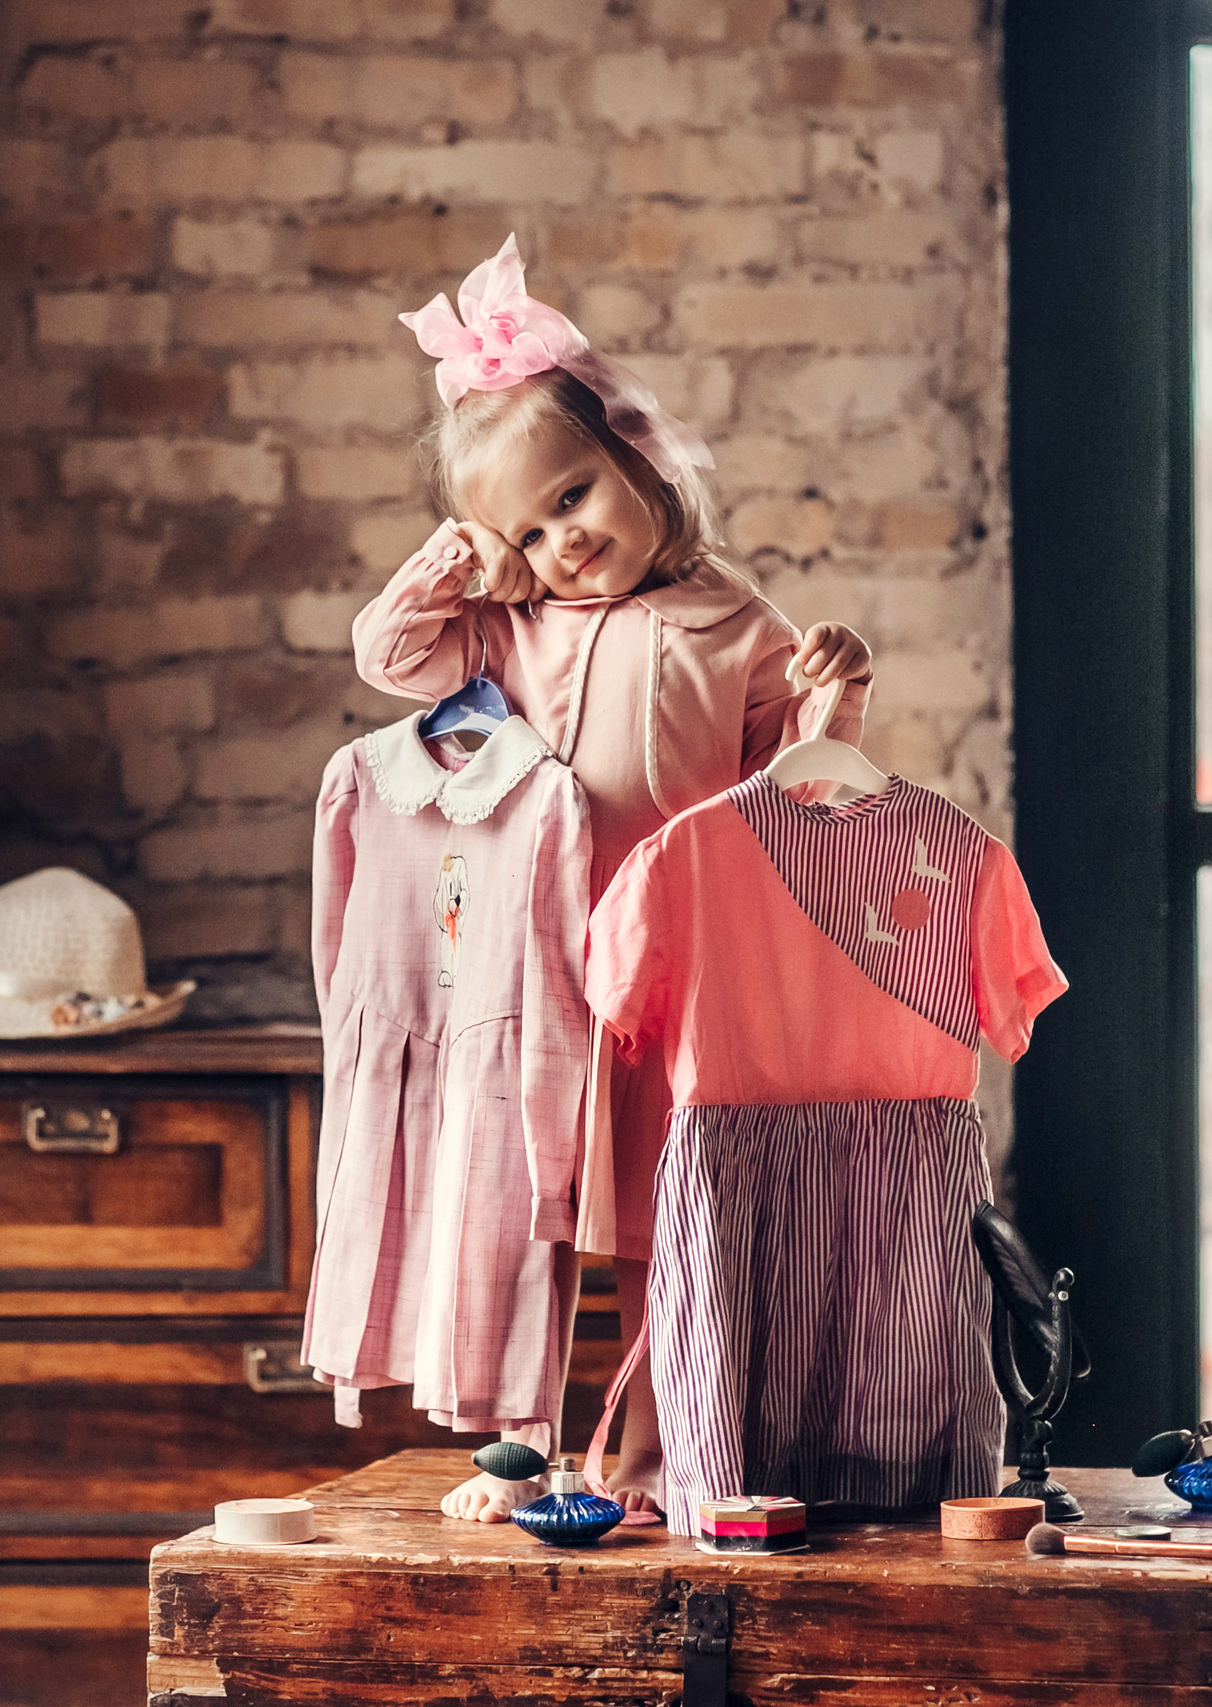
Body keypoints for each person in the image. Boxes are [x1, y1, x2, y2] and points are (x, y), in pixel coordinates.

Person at [351, 235, 874, 1523]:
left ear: (638, 457)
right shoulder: (504, 624)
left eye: (574, 497)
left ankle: (651, 1461)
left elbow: (792, 799)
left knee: (654, 1226)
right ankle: (516, 1455)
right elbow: (384, 654)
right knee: (523, 1218)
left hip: (671, 975)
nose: (562, 543)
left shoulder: (735, 626)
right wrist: (466, 556)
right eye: (527, 526)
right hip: (533, 970)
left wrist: (837, 697)